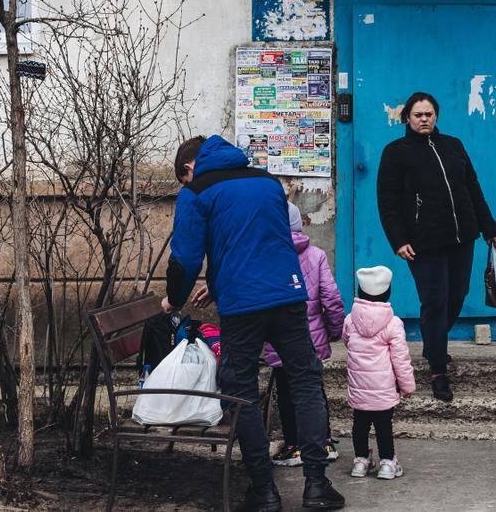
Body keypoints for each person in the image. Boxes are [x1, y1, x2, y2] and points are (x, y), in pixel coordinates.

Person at [163, 135, 345, 512]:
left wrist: (175, 299)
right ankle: (316, 486)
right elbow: (263, 242)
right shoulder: (267, 183)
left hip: (242, 304)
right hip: (288, 294)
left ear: (189, 167)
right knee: (306, 382)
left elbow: (186, 257)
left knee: (240, 389)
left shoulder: (195, 193)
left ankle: (263, 491)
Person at [376, 91, 496, 402]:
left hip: (461, 237)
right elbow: (387, 201)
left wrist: (489, 228)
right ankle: (438, 371)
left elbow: (473, 188)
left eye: (429, 114)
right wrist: (398, 240)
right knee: (434, 300)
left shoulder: (453, 146)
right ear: (407, 118)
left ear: (436, 116)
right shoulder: (396, 152)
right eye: (418, 115)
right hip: (423, 242)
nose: (424, 119)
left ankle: (433, 346)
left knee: (457, 295)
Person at [266, 202, 346, 467]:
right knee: (313, 390)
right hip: (310, 340)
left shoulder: (265, 256)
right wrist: (334, 331)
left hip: (278, 339)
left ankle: (294, 446)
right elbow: (331, 298)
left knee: (287, 395)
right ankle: (324, 442)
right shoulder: (316, 255)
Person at [342, 266, 416, 481]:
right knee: (383, 425)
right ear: (387, 292)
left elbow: (347, 341)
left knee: (360, 423)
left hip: (358, 386)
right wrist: (407, 386)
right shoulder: (393, 324)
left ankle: (361, 461)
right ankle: (387, 464)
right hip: (383, 388)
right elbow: (400, 359)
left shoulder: (350, 320)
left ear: (359, 291)